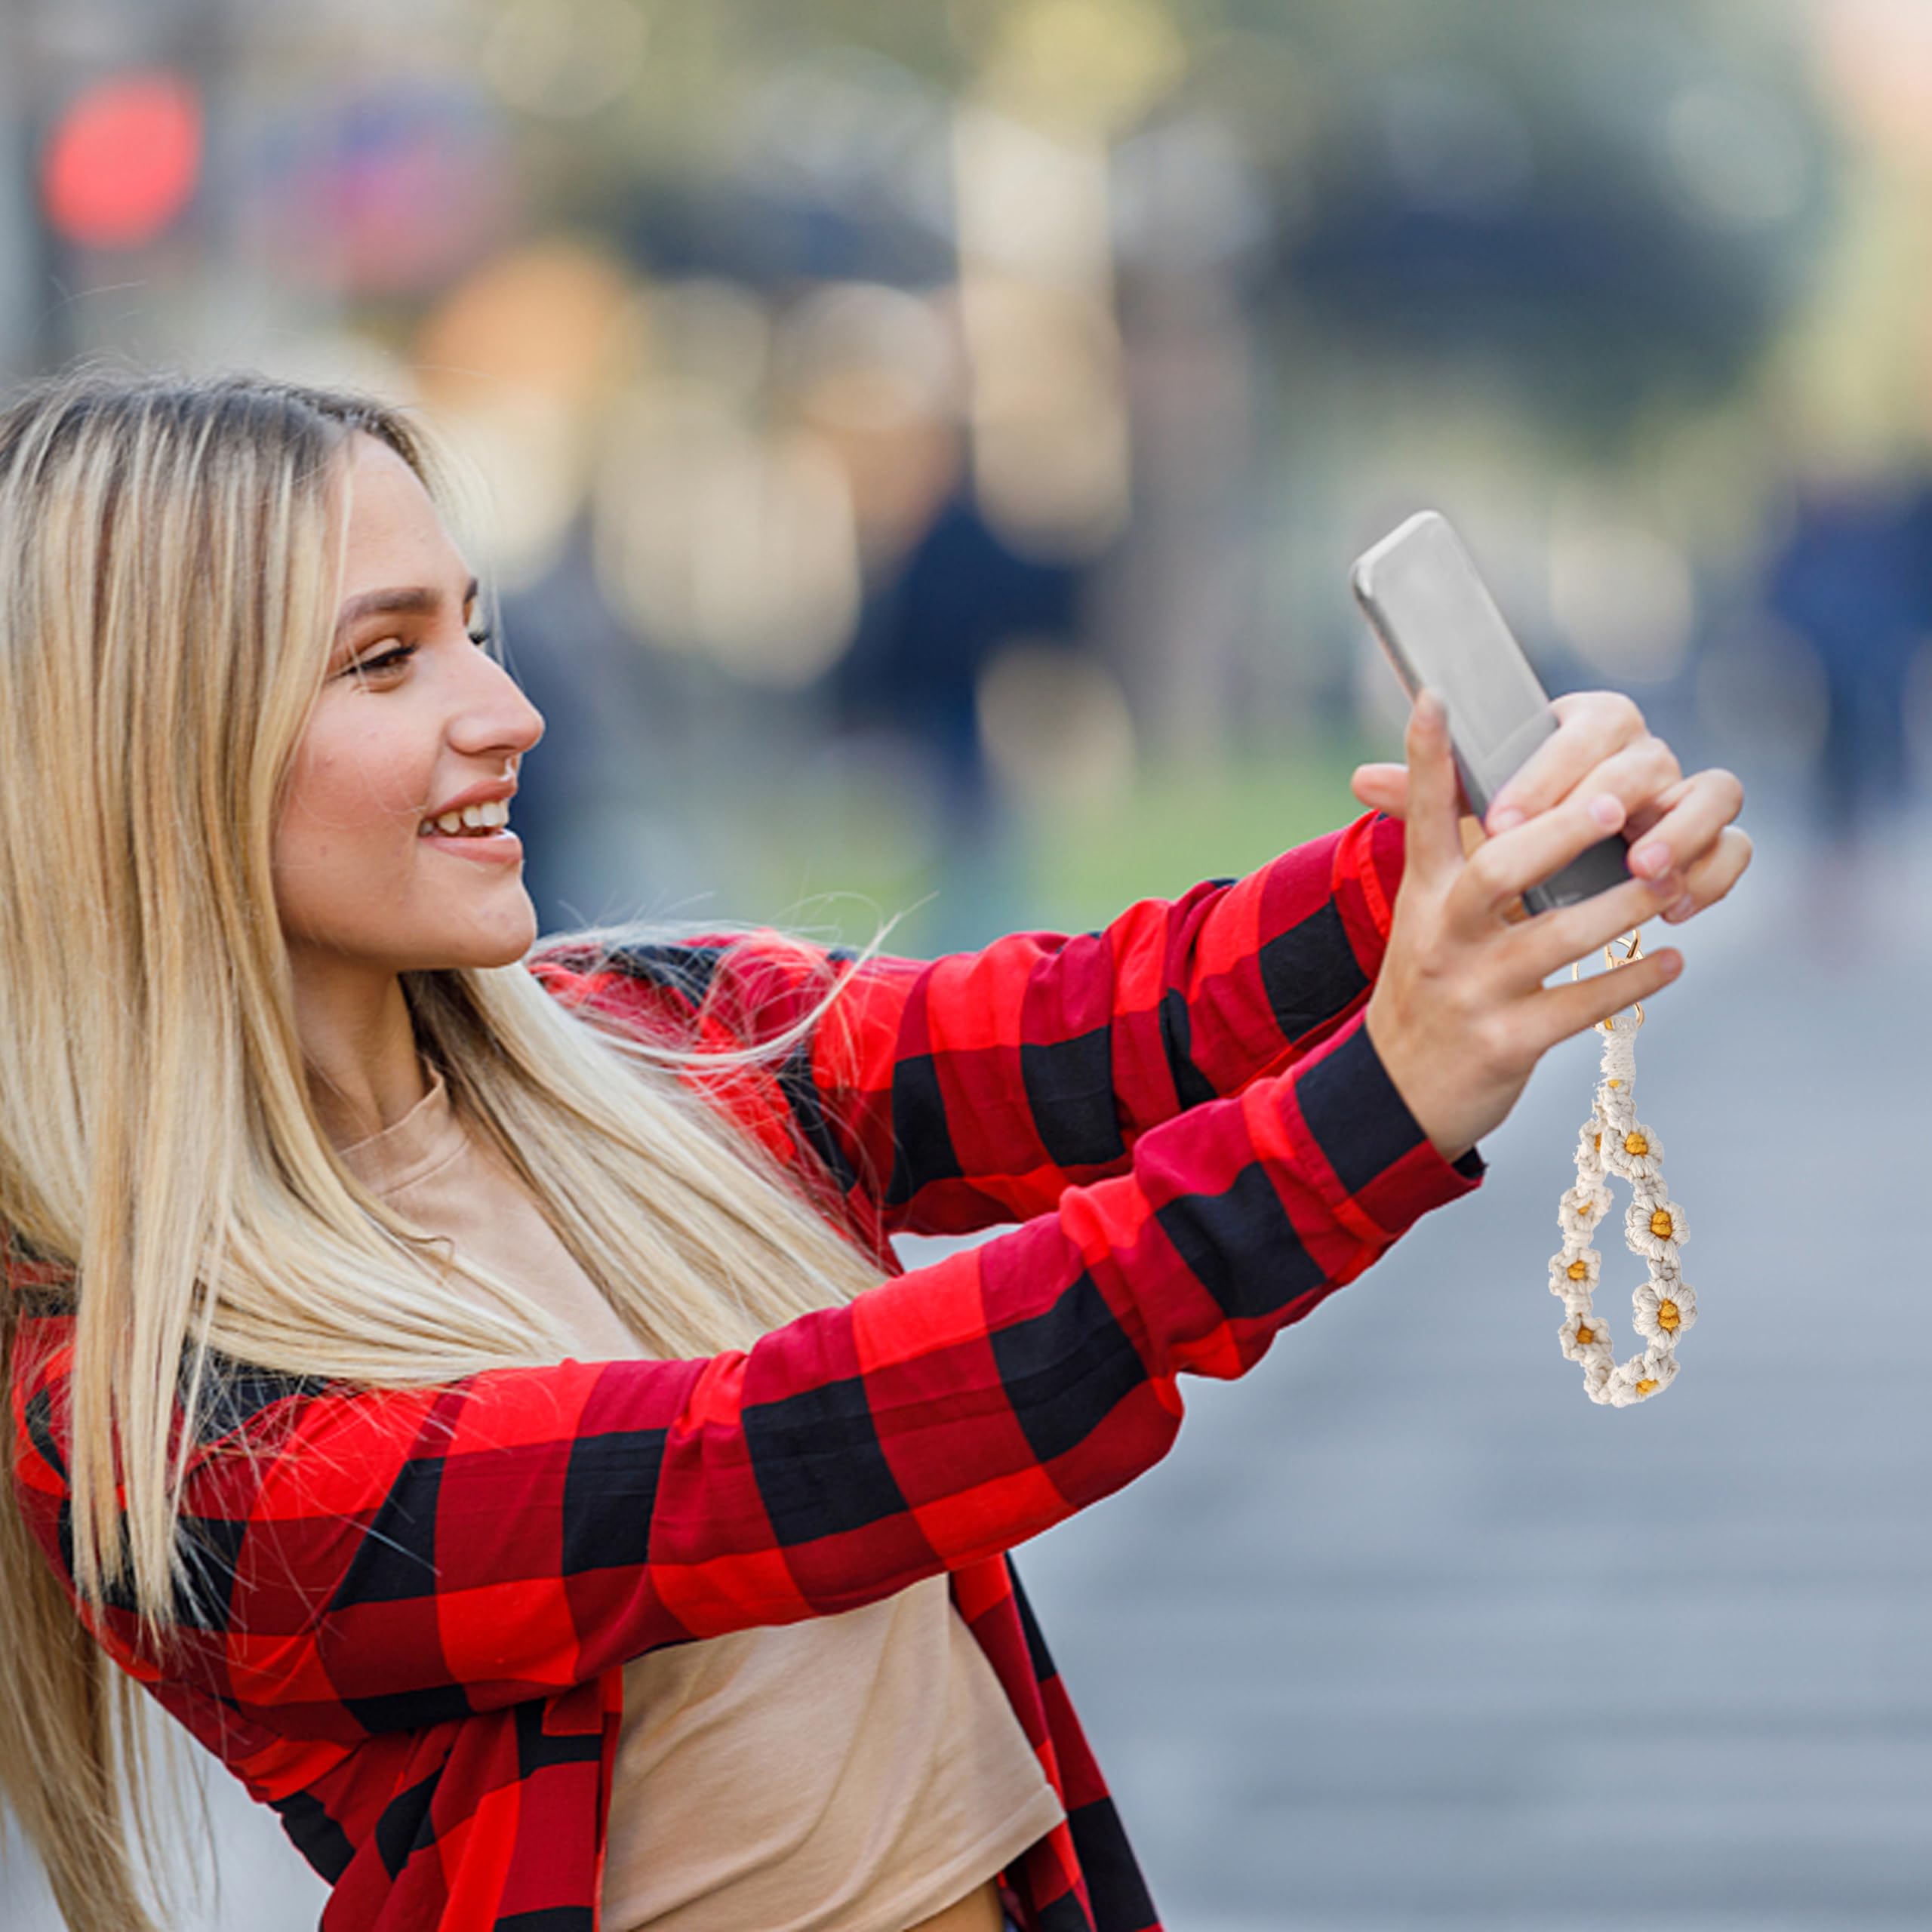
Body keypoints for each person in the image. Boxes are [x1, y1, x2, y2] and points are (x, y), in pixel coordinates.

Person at [0, 371, 1749, 1932]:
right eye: (388, 659)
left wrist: (1469, 858)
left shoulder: (653, 1032)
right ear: (153, 761)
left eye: (475, 624)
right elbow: (778, 1456)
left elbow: (1092, 1026)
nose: (511, 708)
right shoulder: (151, 1414)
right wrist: (1371, 1106)